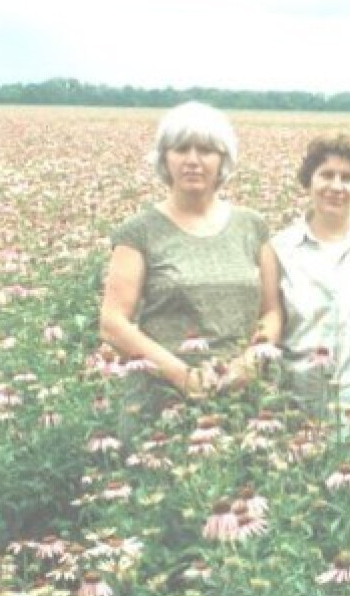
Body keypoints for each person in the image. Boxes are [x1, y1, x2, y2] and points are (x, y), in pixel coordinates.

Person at [99, 101, 281, 404]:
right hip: (163, 397)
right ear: (165, 158)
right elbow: (113, 322)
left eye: (206, 151)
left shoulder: (252, 226)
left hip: (246, 394)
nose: (192, 161)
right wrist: (182, 376)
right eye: (181, 149)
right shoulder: (139, 231)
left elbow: (272, 311)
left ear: (223, 161)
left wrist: (249, 364)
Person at [271, 134, 350, 414]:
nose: (336, 186)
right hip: (299, 411)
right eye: (326, 175)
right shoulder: (281, 249)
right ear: (308, 180)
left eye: (348, 177)